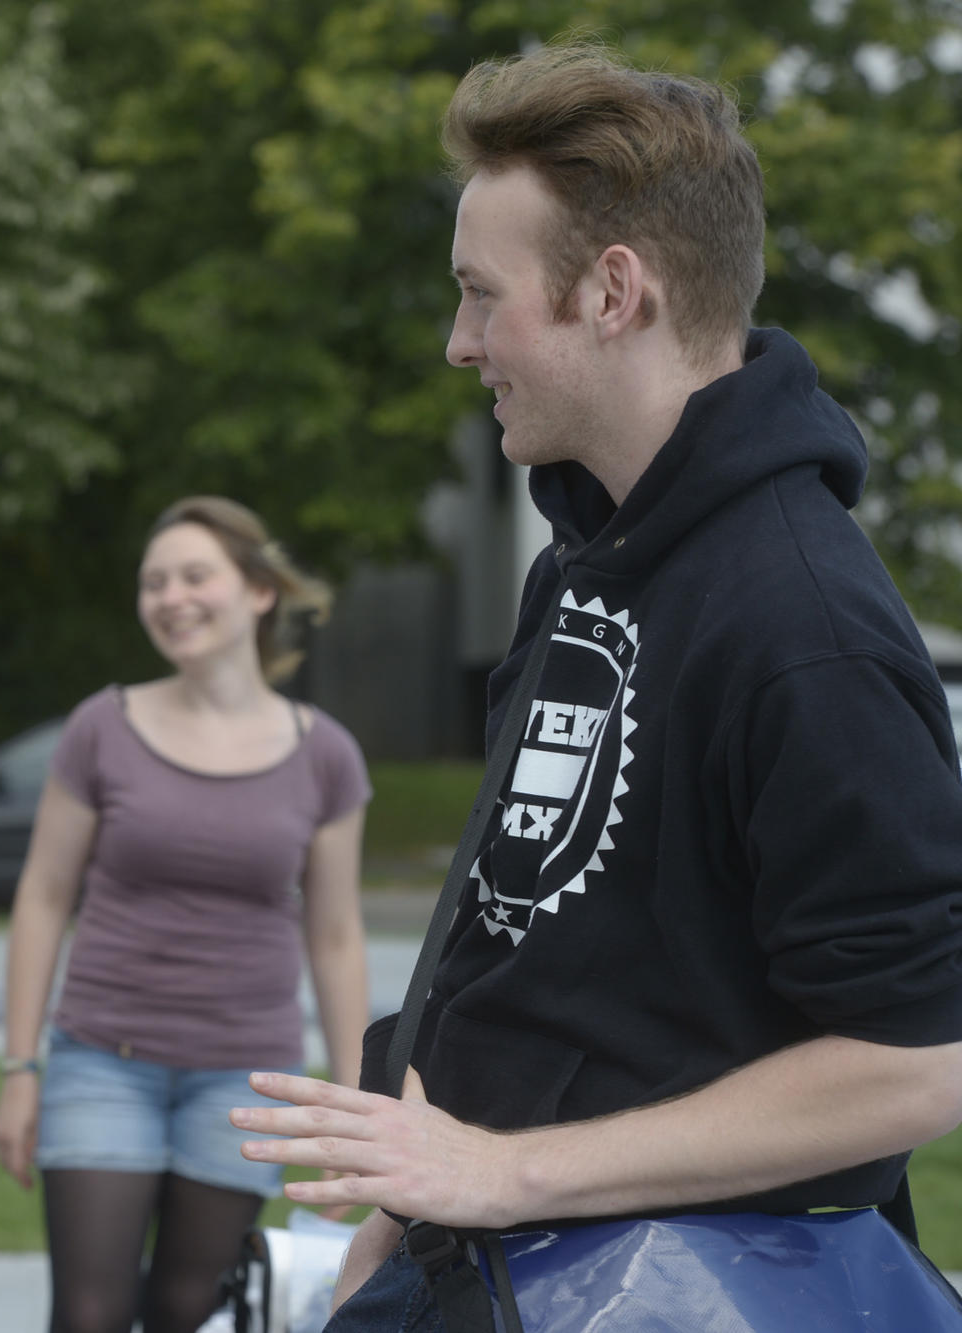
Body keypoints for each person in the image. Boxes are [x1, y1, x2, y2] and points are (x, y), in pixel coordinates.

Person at [232, 43, 962, 1330]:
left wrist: (505, 1172)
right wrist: (406, 1217)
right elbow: (513, 935)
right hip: (475, 1273)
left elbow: (919, 1060)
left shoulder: (803, 625)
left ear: (612, 290)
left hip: (659, 1296)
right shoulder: (584, 559)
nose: (457, 344)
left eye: (479, 295)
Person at [0, 495, 373, 1333]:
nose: (171, 597)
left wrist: (353, 1103)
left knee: (189, 1312)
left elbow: (337, 935)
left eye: (195, 575)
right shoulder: (104, 726)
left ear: (259, 591)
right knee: (89, 1313)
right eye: (153, 581)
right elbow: (43, 896)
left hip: (242, 1080)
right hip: (102, 1063)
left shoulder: (326, 754)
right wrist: (20, 1071)